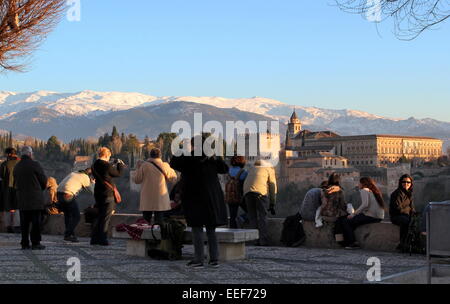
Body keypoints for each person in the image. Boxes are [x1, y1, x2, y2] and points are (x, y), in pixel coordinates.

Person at [170, 134, 229, 268]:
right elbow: (225, 169)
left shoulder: (188, 158)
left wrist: (183, 149)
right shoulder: (211, 158)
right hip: (211, 199)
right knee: (211, 229)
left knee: (197, 229)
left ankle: (198, 259)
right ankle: (214, 259)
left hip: (194, 198)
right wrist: (215, 156)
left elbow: (173, 163)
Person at [13, 146, 48, 250]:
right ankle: (35, 242)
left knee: (24, 223)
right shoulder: (35, 165)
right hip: (35, 199)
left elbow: (16, 182)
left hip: (22, 198)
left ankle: (24, 243)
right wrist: (40, 189)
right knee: (36, 222)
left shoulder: (17, 167)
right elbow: (43, 181)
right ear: (30, 154)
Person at [336, 177, 385, 249]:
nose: (358, 184)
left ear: (363, 184)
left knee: (346, 222)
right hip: (379, 217)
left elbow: (365, 204)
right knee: (352, 222)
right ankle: (350, 241)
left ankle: (352, 243)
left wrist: (353, 214)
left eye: (359, 183)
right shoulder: (374, 190)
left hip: (371, 216)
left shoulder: (364, 190)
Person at [90, 147, 125, 246]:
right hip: (107, 193)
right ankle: (102, 239)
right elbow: (118, 173)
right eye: (109, 155)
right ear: (106, 155)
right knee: (105, 217)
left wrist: (112, 164)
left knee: (99, 216)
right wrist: (120, 165)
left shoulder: (95, 164)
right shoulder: (106, 165)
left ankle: (94, 239)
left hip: (98, 192)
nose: (110, 157)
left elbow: (105, 173)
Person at [133, 148, 178, 225]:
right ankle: (158, 236)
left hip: (147, 199)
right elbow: (174, 178)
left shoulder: (144, 166)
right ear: (160, 156)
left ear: (150, 155)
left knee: (145, 223)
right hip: (160, 198)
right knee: (159, 222)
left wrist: (137, 168)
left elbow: (137, 180)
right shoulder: (165, 165)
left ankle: (145, 236)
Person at [243, 159, 277, 246]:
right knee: (263, 216)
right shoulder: (269, 168)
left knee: (252, 216)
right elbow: (272, 186)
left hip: (247, 192)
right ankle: (263, 241)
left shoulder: (252, 168)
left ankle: (254, 240)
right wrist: (272, 203)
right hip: (260, 192)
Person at [57, 168, 95, 242]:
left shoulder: (74, 173)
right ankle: (68, 234)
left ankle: (70, 234)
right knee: (76, 216)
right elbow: (92, 191)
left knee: (67, 215)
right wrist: (93, 183)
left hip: (59, 194)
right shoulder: (85, 177)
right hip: (67, 194)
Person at [390, 174, 415, 251]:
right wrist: (408, 210)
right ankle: (403, 244)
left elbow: (412, 207)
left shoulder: (408, 194)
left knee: (414, 221)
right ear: (400, 183)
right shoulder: (397, 193)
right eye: (404, 182)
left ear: (411, 184)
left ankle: (409, 244)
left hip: (405, 215)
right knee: (406, 221)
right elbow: (398, 208)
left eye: (408, 182)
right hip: (396, 216)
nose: (406, 183)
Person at [0, 147, 21, 233]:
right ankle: (17, 226)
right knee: (17, 207)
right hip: (18, 188)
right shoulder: (20, 163)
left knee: (7, 207)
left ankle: (8, 227)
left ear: (9, 154)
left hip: (7, 188)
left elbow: (1, 176)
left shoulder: (4, 164)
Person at [225, 156, 249, 228]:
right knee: (251, 212)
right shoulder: (243, 171)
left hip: (230, 196)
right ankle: (242, 218)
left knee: (232, 217)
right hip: (241, 196)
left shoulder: (228, 171)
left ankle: (232, 233)